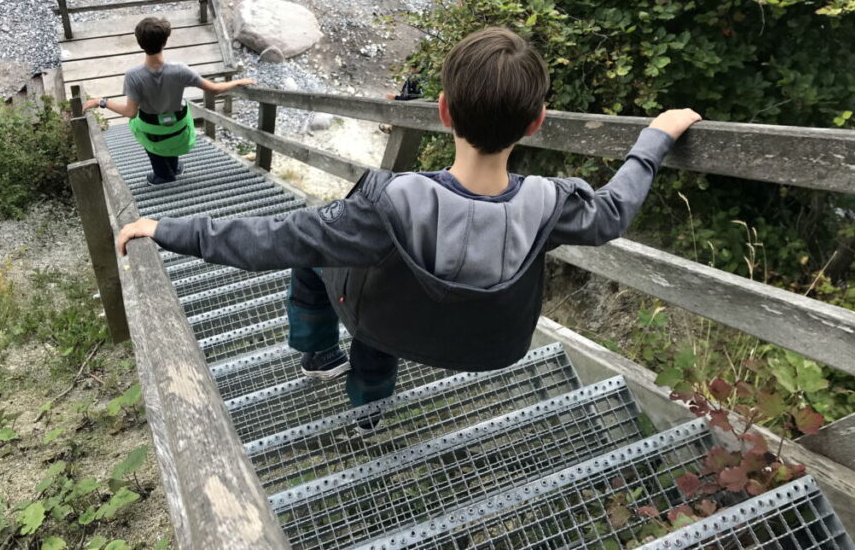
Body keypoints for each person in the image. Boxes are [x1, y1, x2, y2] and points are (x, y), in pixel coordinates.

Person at [117, 27, 700, 431]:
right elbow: (615, 209)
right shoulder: (552, 205)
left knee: (316, 253)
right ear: (537, 121)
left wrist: (166, 228)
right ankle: (362, 403)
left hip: (389, 321)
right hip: (489, 346)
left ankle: (327, 366)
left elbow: (270, 237)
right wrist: (654, 139)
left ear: (443, 111)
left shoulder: (388, 201)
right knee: (352, 269)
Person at [82, 16, 255, 185]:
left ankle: (164, 176)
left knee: (151, 139)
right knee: (171, 132)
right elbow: (214, 89)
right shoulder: (180, 70)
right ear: (164, 42)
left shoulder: (133, 76)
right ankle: (175, 167)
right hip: (177, 125)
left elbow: (130, 112)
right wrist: (238, 82)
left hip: (152, 129)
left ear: (140, 43)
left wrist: (101, 101)